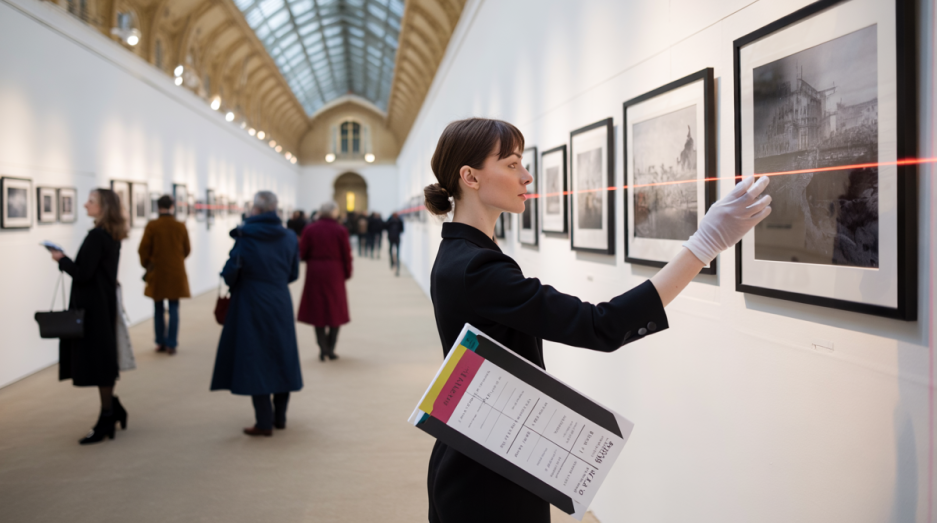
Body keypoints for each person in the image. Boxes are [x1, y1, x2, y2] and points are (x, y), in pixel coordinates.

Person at [422, 118, 772, 523]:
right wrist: (703, 245)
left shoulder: (463, 254)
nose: (527, 176)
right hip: (486, 476)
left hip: (482, 451)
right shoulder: (476, 267)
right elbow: (600, 325)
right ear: (470, 177)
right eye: (512, 164)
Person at [210, 191, 302, 437]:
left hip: (251, 300)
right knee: (282, 355)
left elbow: (230, 272)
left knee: (256, 357)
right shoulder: (290, 236)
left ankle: (264, 422)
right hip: (280, 299)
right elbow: (294, 273)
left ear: (256, 210)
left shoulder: (245, 235)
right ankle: (280, 417)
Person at [48, 188, 130, 445]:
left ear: (103, 207)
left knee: (100, 363)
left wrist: (61, 260)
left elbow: (83, 274)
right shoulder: (111, 235)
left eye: (91, 202)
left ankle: (107, 416)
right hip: (103, 306)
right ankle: (112, 409)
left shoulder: (97, 236)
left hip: (93, 310)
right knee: (103, 360)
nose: (85, 205)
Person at [297, 201, 352, 361]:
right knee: (335, 309)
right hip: (335, 272)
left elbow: (302, 253)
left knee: (317, 310)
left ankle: (323, 348)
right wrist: (347, 273)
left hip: (315, 271)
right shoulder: (340, 230)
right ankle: (331, 348)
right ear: (335, 213)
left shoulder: (310, 229)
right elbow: (346, 255)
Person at [138, 195, 191, 355]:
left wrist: (148, 264)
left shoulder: (153, 226)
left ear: (158, 206)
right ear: (172, 206)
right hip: (176, 272)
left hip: (158, 272)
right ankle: (172, 343)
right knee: (174, 307)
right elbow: (187, 249)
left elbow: (143, 249)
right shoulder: (180, 226)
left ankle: (160, 341)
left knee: (158, 307)